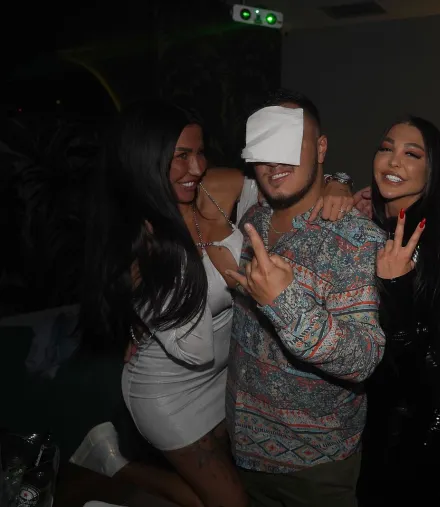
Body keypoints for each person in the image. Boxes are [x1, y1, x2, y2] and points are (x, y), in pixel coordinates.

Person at [80, 99, 354, 507]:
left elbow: (290, 189)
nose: (196, 168)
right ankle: (111, 463)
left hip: (227, 377)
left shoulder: (212, 185)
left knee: (221, 489)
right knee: (231, 502)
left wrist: (335, 183)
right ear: (145, 159)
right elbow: (195, 348)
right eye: (181, 156)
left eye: (200, 152)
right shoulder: (140, 246)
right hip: (170, 389)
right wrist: (235, 274)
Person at [225, 90, 386, 507]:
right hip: (244, 444)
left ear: (321, 147)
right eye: (264, 147)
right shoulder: (254, 218)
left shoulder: (356, 240)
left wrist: (285, 302)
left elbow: (365, 357)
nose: (274, 162)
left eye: (289, 143)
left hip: (315, 464)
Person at [359, 116, 440, 506]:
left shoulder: (429, 233)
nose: (393, 161)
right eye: (386, 148)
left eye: (411, 154)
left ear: (433, 169)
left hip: (423, 412)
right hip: (385, 404)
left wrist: (396, 286)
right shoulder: (379, 222)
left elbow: (418, 357)